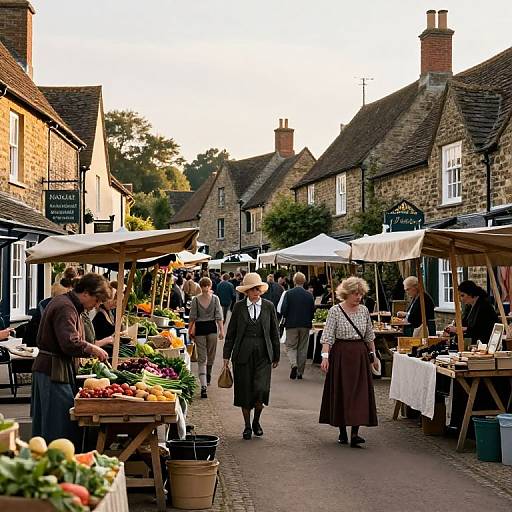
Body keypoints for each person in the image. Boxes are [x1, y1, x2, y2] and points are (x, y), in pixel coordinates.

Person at [31, 273, 110, 446]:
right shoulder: (65, 307)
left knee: (51, 424)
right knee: (58, 426)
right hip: (53, 371)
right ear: (86, 293)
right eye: (96, 300)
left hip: (54, 369)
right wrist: (93, 348)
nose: (96, 306)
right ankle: (55, 467)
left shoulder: (69, 305)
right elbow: (69, 343)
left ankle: (50, 466)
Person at [319, 276, 379, 447]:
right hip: (341, 355)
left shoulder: (364, 311)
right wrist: (325, 357)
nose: (358, 297)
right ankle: (342, 432)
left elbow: (369, 335)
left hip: (359, 355)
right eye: (355, 293)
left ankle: (355, 433)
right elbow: (328, 336)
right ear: (346, 293)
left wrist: (373, 355)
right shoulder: (335, 311)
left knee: (359, 394)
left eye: (360, 294)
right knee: (342, 392)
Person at [223, 273, 280, 440]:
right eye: (253, 289)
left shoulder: (268, 306)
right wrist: (226, 356)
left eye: (258, 289)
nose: (256, 292)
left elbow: (274, 332)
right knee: (244, 391)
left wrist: (276, 355)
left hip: (263, 354)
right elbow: (231, 333)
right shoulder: (239, 307)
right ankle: (247, 426)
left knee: (261, 390)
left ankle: (257, 421)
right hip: (242, 355)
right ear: (246, 291)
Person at [188, 277, 224, 398]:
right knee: (211, 354)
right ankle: (207, 376)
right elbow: (219, 316)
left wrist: (189, 330)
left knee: (202, 358)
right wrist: (221, 330)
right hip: (211, 328)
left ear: (200, 286)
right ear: (210, 286)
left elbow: (192, 316)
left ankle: (203, 385)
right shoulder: (215, 299)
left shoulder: (195, 300)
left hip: (200, 328)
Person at [281, 272, 315, 380]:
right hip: (305, 324)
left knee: (291, 346)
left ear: (294, 281)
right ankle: (300, 372)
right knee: (302, 348)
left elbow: (283, 310)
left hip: (291, 324)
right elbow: (312, 311)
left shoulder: (288, 293)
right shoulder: (309, 295)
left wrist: (287, 316)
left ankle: (293, 364)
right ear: (304, 282)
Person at [444, 280, 499, 345]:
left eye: (463, 295)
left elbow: (480, 329)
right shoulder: (469, 306)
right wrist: (453, 328)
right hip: (471, 341)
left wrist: (459, 329)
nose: (461, 299)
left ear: (470, 293)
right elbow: (464, 322)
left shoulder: (484, 306)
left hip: (483, 343)